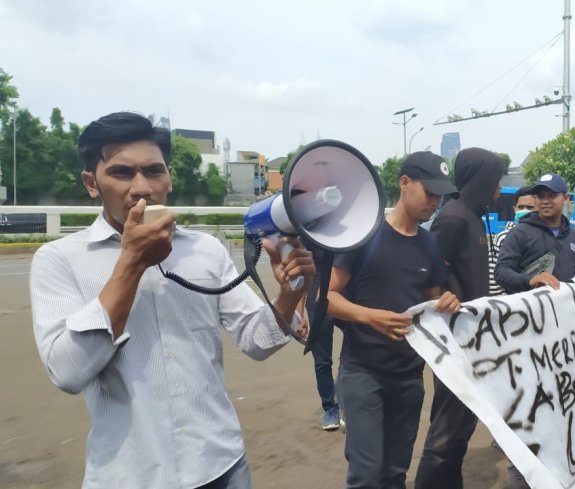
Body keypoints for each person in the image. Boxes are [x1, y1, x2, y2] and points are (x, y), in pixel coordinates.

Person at [30, 112, 315, 488]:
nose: (141, 187)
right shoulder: (59, 260)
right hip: (129, 475)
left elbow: (257, 341)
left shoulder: (205, 250)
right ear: (91, 183)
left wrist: (290, 293)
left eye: (153, 171)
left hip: (221, 464)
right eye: (121, 173)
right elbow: (67, 373)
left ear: (169, 177)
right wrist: (131, 263)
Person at [327, 151, 461, 489]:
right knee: (367, 476)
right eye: (429, 192)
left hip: (409, 376)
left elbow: (431, 303)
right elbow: (324, 297)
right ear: (404, 183)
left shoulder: (430, 244)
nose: (435, 201)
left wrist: (446, 303)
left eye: (440, 195)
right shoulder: (364, 235)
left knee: (395, 474)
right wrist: (368, 317)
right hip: (363, 373)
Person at [416, 148, 504, 489]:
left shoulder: (472, 215)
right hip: (453, 340)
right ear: (480, 182)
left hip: (471, 339)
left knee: (462, 424)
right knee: (447, 429)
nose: (497, 191)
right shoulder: (453, 218)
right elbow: (428, 277)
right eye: (494, 183)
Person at [495, 173, 575, 294]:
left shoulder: (574, 236)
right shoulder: (519, 233)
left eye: (552, 195)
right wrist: (529, 280)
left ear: (566, 198)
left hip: (566, 309)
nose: (545, 201)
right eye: (541, 197)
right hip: (531, 310)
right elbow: (501, 272)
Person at [302, 243, 341, 431]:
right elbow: (303, 273)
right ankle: (330, 408)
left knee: (357, 350)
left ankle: (346, 400)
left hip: (346, 297)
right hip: (317, 300)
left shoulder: (354, 229)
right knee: (322, 360)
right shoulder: (310, 230)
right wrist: (299, 312)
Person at [487, 185, 536, 296]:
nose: (525, 211)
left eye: (530, 207)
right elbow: (493, 282)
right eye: (521, 207)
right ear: (514, 209)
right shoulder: (502, 237)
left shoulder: (544, 237)